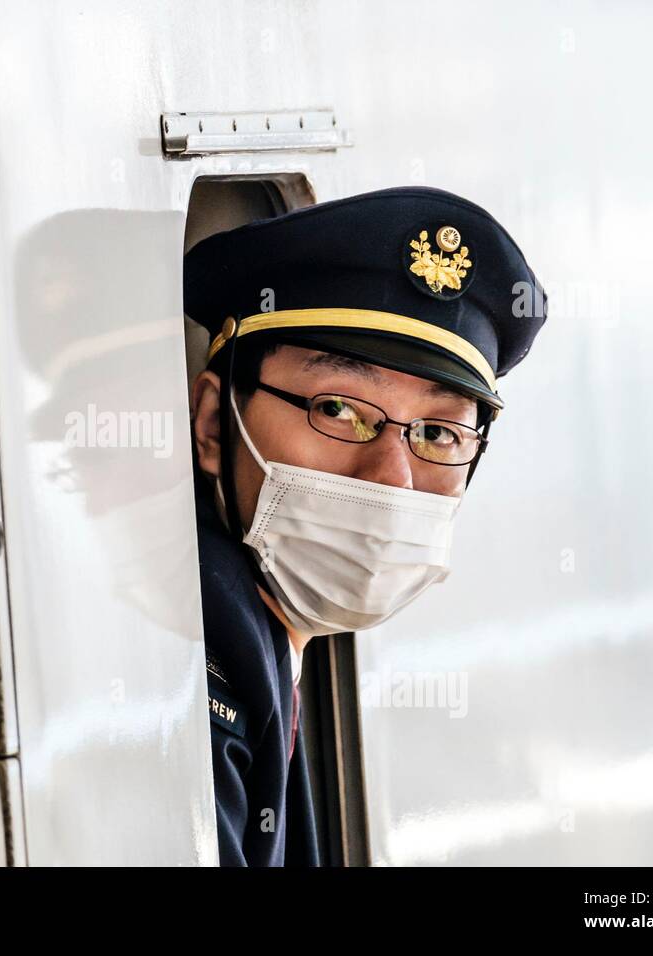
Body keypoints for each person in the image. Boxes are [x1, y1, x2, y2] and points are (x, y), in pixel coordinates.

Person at [183, 186, 548, 866]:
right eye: (340, 410)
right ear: (212, 424)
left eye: (438, 432)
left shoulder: (254, 650)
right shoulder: (199, 670)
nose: (393, 476)